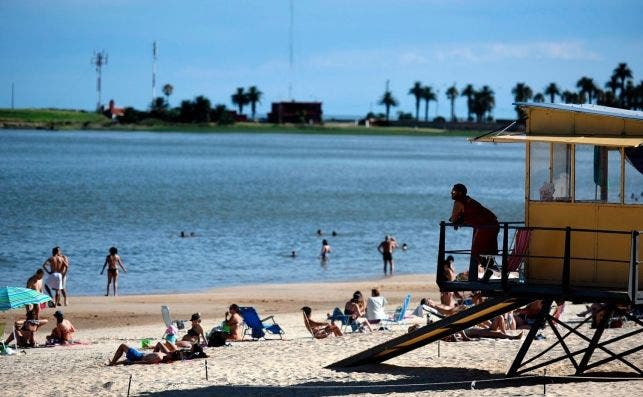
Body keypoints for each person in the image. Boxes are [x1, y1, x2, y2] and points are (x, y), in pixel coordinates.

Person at [449, 184, 499, 282]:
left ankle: (488, 270)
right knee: (488, 251)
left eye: (454, 191)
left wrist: (458, 221)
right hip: (494, 224)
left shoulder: (458, 202)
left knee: (476, 251)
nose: (452, 193)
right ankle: (488, 272)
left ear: (460, 193)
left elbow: (454, 219)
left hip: (485, 227)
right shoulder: (469, 200)